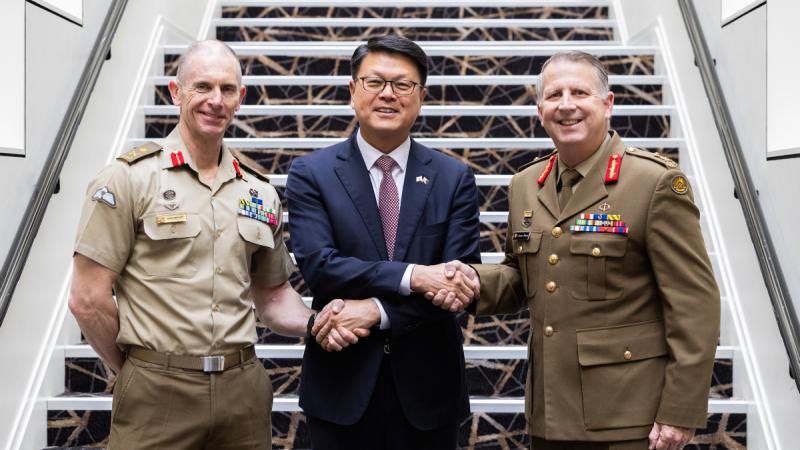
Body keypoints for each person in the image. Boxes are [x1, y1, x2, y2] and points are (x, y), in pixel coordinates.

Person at [430, 51, 720, 450]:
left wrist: (680, 410)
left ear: (608, 103)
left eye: (579, 92)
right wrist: (473, 280)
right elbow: (521, 277)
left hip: (630, 417)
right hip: (551, 412)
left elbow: (694, 304)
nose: (566, 105)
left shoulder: (653, 183)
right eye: (554, 95)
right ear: (539, 110)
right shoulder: (526, 184)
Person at [67, 40, 337, 449]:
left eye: (227, 89)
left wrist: (319, 322)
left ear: (241, 99)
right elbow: (87, 298)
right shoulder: (128, 179)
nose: (215, 100)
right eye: (203, 87)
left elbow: (272, 297)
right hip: (156, 392)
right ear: (177, 93)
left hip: (242, 391)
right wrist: (138, 370)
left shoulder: (259, 191)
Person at [285, 35, 482, 450]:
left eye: (403, 84)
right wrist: (414, 275)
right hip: (341, 385)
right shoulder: (311, 174)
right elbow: (321, 266)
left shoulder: (454, 178)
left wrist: (375, 311)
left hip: (430, 392)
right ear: (353, 90)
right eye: (374, 82)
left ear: (421, 96)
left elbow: (457, 283)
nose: (388, 94)